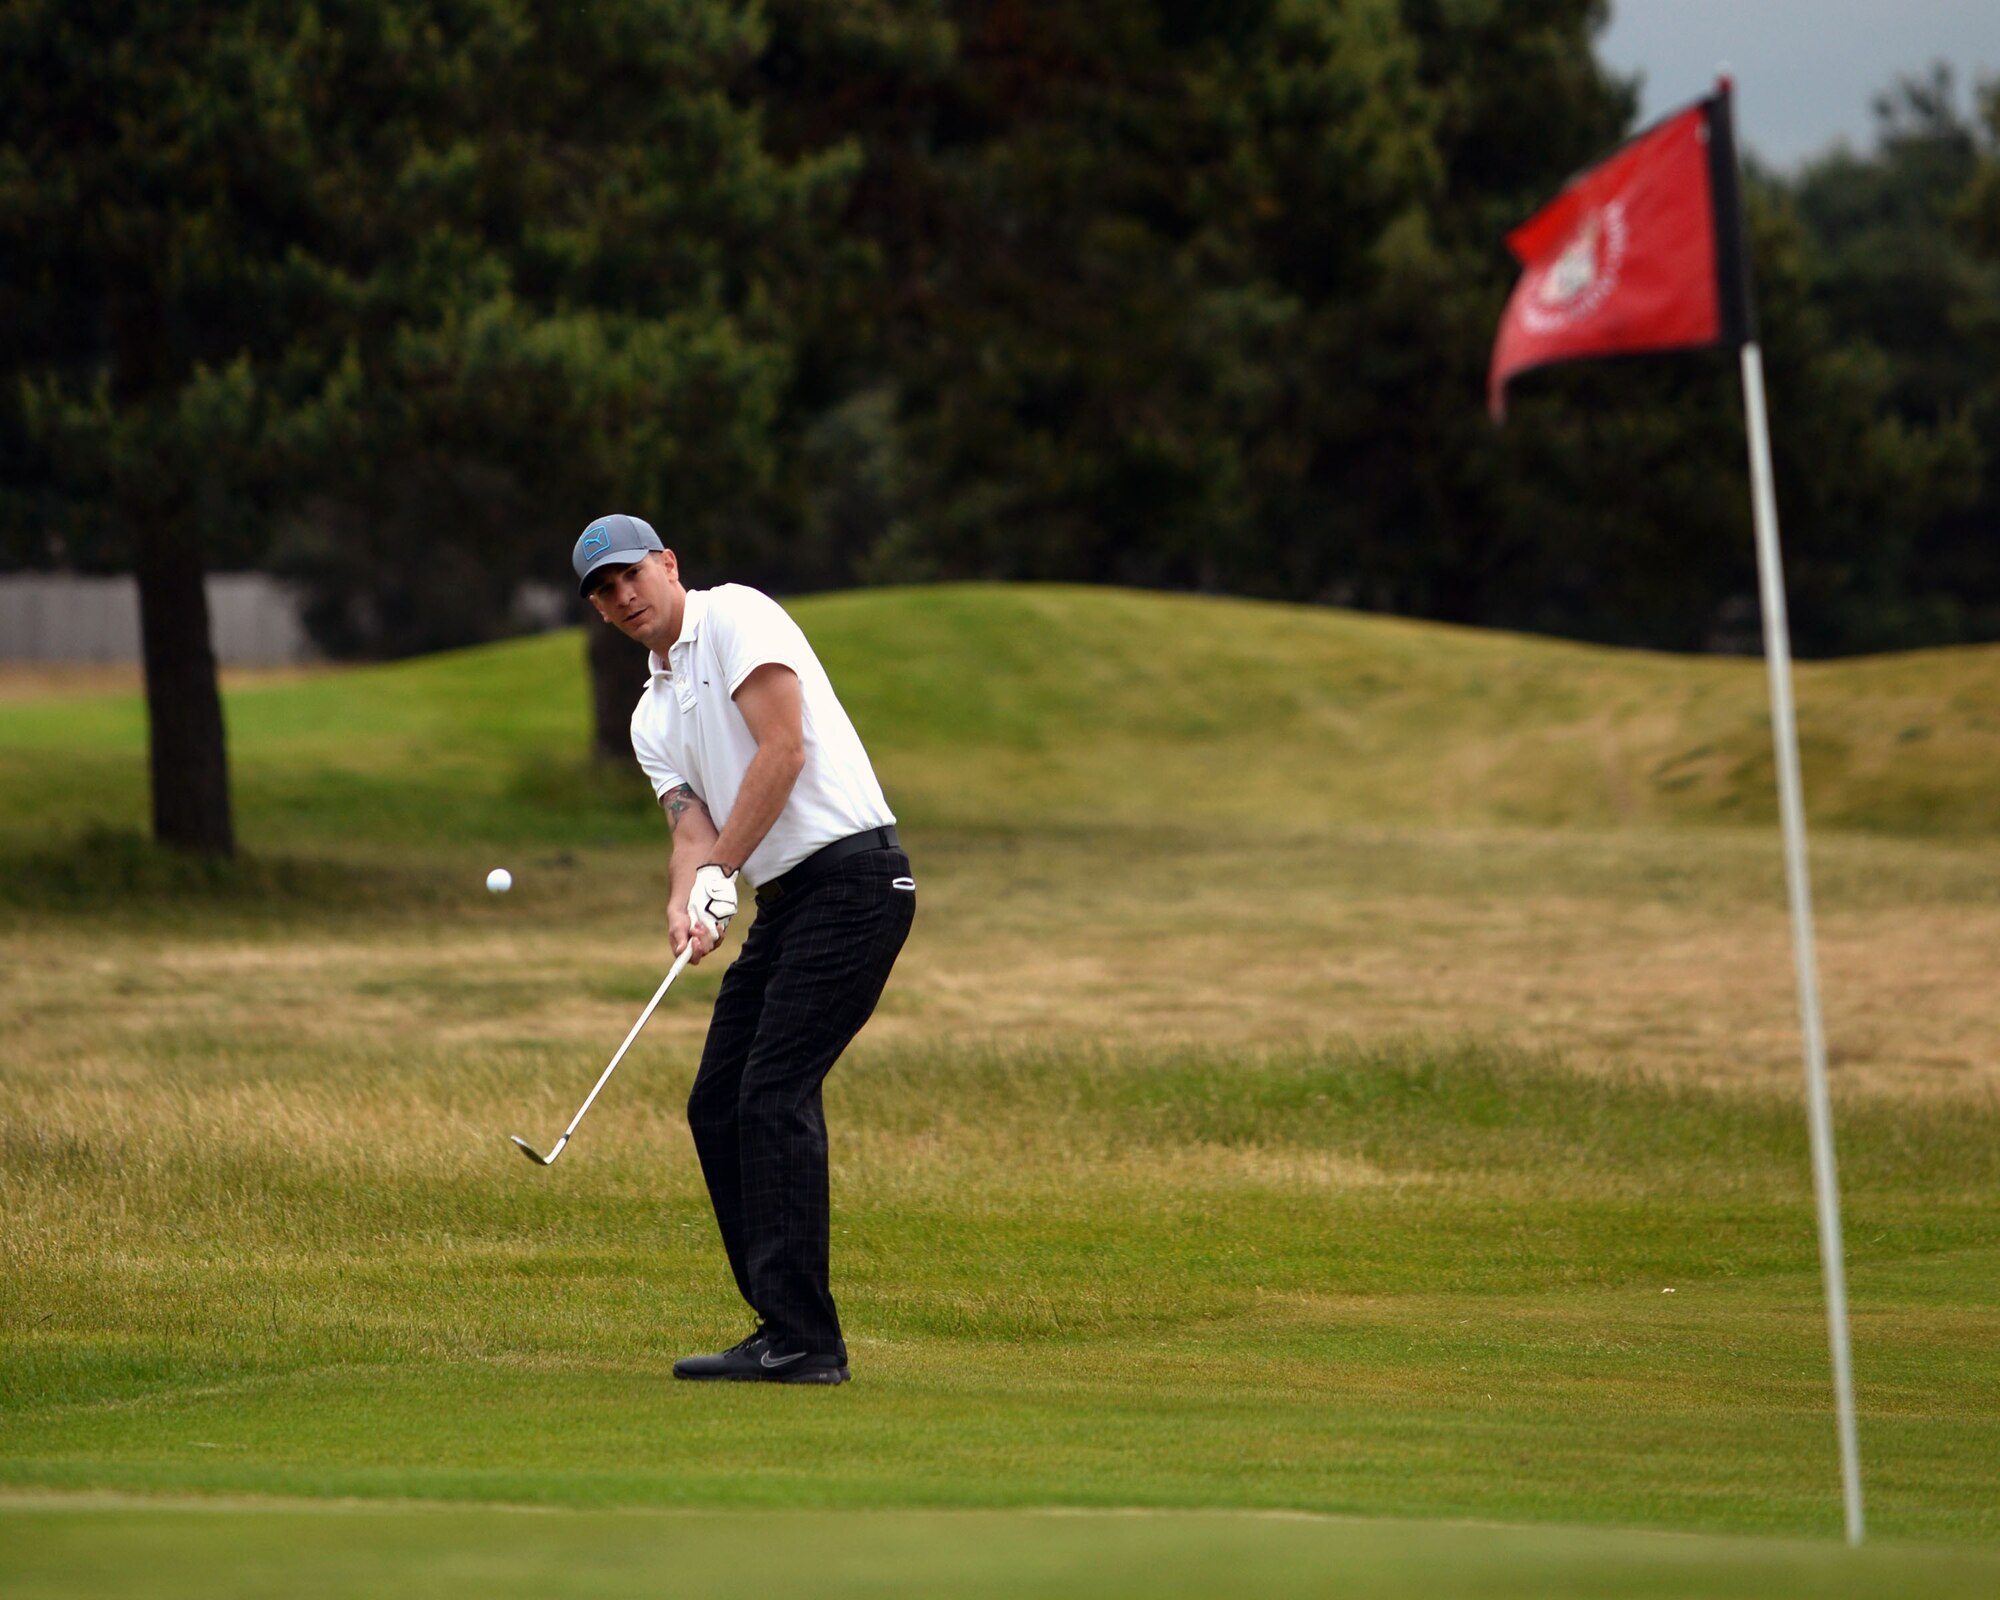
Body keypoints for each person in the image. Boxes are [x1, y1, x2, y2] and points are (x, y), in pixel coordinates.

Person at [572, 513, 914, 1385]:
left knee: (771, 1095)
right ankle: (778, 1325)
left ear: (668, 563)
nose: (623, 597)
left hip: (856, 882)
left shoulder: (736, 617)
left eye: (630, 575)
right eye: (604, 592)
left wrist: (725, 867)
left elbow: (784, 750)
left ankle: (808, 1342)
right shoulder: (650, 715)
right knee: (718, 1102)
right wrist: (692, 901)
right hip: (789, 902)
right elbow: (694, 828)